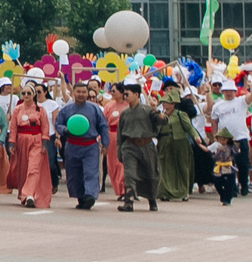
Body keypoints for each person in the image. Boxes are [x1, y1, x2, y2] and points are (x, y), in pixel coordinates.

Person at [56, 81, 111, 210]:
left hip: (90, 146)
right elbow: (58, 124)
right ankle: (80, 197)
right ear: (73, 93)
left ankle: (90, 195)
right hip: (72, 145)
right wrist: (65, 130)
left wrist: (105, 144)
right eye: (78, 92)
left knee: (91, 172)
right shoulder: (66, 109)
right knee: (74, 173)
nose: (81, 94)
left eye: (83, 92)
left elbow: (103, 126)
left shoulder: (94, 109)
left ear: (88, 93)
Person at [115, 80, 160, 213]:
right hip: (129, 146)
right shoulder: (124, 113)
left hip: (146, 145)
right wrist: (119, 150)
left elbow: (162, 121)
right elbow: (120, 134)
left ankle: (152, 199)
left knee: (151, 174)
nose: (125, 96)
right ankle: (128, 202)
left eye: (127, 94)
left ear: (136, 94)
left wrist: (156, 110)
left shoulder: (147, 110)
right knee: (129, 175)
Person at [8, 83, 53, 209]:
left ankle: (30, 195)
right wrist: (12, 142)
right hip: (22, 140)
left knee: (34, 168)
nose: (26, 96)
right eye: (24, 93)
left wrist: (44, 142)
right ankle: (24, 194)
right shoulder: (17, 110)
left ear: (34, 95)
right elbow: (13, 128)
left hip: (36, 140)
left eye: (29, 93)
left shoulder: (40, 110)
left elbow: (45, 127)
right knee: (24, 168)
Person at [157, 83, 196, 202]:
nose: (164, 104)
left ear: (173, 104)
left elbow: (189, 127)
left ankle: (184, 191)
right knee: (164, 167)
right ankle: (164, 192)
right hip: (164, 143)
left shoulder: (180, 114)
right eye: (163, 102)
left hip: (180, 142)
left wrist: (195, 137)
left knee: (182, 167)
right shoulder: (161, 116)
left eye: (166, 103)